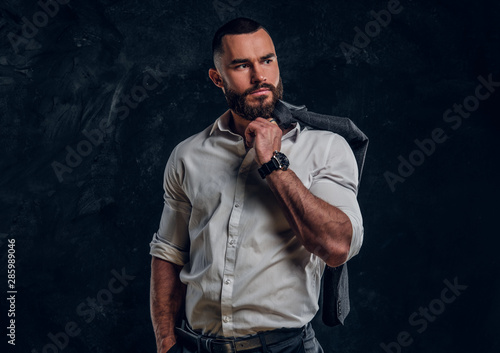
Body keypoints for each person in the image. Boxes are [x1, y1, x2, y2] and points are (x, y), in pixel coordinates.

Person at [150, 17, 364, 353]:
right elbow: (168, 254)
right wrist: (165, 343)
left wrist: (272, 163)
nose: (259, 76)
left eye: (267, 60)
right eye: (241, 65)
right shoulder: (187, 155)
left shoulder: (326, 148)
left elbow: (337, 246)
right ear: (217, 78)